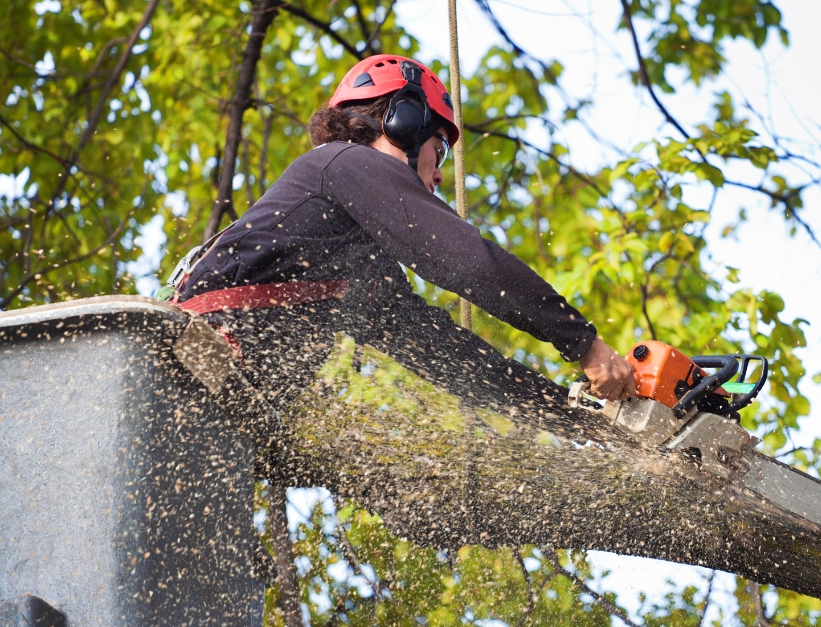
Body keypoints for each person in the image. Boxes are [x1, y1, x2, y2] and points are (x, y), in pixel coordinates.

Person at [172, 54, 635, 407]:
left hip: (217, 399)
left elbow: (442, 353)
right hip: (188, 364)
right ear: (404, 122)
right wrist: (584, 343)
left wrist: (566, 409)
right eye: (441, 149)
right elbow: (470, 262)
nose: (438, 176)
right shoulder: (345, 163)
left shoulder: (357, 261)